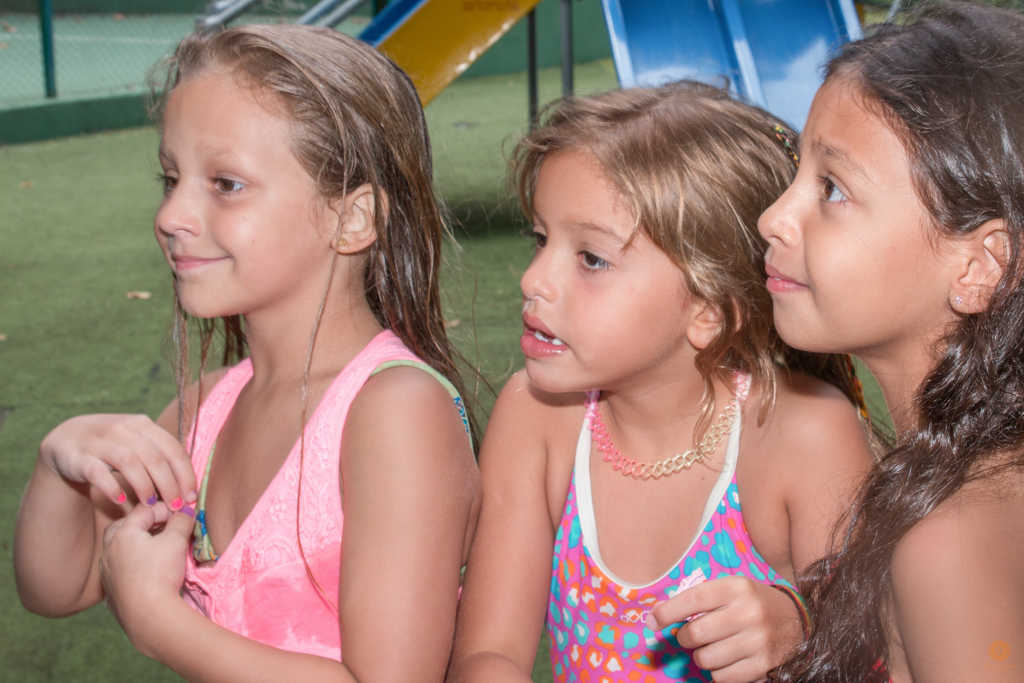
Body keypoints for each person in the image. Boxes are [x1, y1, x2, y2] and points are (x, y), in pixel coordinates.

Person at [13, 25, 481, 682]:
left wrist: (160, 622)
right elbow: (58, 587)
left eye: (225, 183)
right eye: (170, 178)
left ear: (352, 218)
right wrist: (57, 463)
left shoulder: (398, 412)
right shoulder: (206, 407)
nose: (171, 215)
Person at [447, 82, 874, 683]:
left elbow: (872, 652)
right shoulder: (537, 415)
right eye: (542, 239)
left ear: (708, 311)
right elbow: (488, 654)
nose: (533, 280)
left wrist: (802, 628)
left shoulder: (802, 436)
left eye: (591, 258)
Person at [760, 5, 1024, 682]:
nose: (773, 218)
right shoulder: (970, 483)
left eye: (832, 189)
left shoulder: (949, 544)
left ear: (979, 267)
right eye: (797, 173)